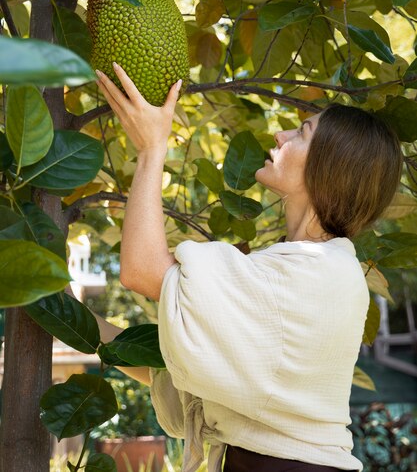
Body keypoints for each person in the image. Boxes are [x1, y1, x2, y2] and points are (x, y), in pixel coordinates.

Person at [94, 62, 403, 472]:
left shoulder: (320, 274)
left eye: (302, 133)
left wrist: (152, 149)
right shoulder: (302, 271)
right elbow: (172, 371)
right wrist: (63, 311)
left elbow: (143, 270)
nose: (280, 134)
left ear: (330, 168)